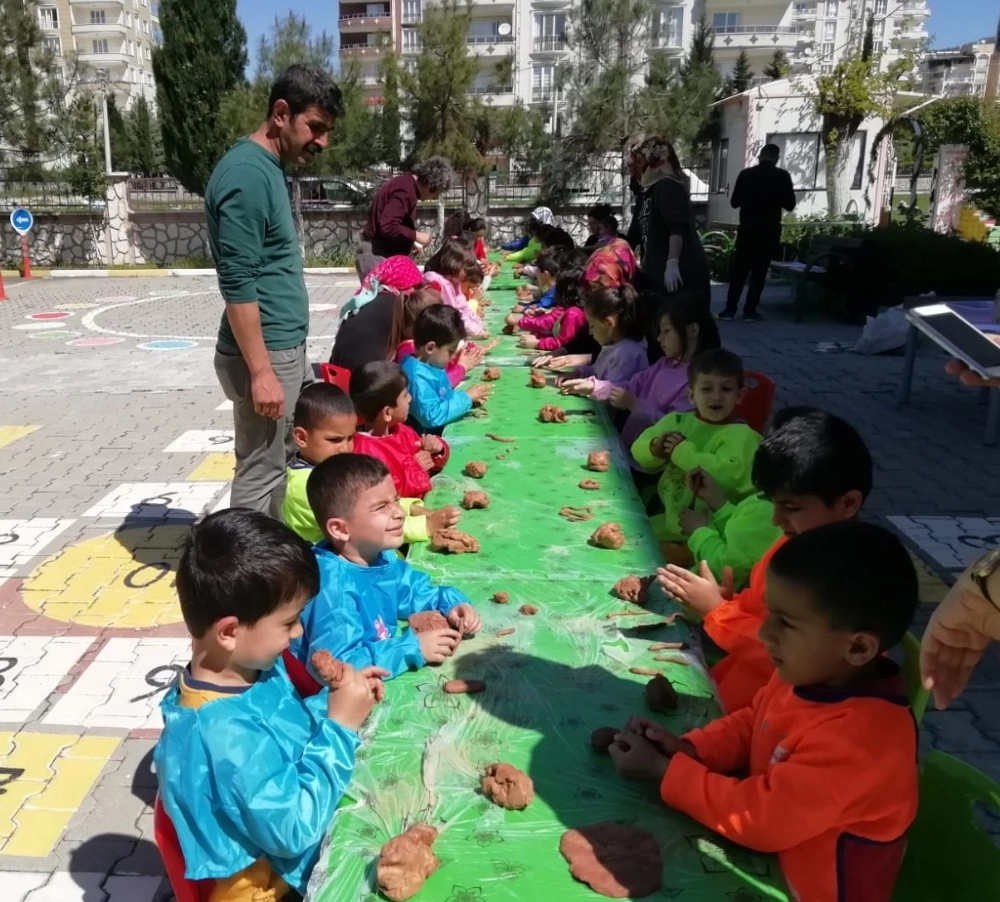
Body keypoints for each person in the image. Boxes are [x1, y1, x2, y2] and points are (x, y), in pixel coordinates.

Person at [610, 521, 919, 902]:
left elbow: (762, 820)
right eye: (768, 613)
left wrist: (664, 772)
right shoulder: (809, 673)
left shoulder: (862, 742)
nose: (764, 633)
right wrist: (690, 750)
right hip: (771, 856)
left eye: (784, 623)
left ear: (857, 648)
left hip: (806, 889)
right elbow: (754, 721)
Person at [154, 508, 386, 900]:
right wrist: (341, 726)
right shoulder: (222, 736)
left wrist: (339, 701)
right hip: (276, 888)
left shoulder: (251, 667)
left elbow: (285, 730)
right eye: (289, 622)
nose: (297, 634)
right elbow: (294, 830)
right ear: (229, 631)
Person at [658, 408, 873, 712]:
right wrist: (727, 602)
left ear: (848, 503)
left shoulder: (847, 582)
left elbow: (791, 655)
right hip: (730, 689)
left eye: (791, 507)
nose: (776, 519)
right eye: (773, 503)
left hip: (764, 717)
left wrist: (717, 612)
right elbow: (758, 609)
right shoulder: (792, 544)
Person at [208, 64, 343, 517]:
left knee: (281, 461)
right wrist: (262, 372)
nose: (322, 141)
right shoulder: (246, 175)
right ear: (281, 113)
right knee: (262, 469)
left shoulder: (267, 168)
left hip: (283, 348)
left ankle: (272, 564)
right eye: (316, 127)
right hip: (266, 354)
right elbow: (238, 282)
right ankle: (244, 581)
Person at [291, 453, 482, 681]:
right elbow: (338, 669)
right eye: (381, 507)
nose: (399, 513)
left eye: (396, 500)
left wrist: (450, 604)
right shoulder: (333, 591)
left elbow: (411, 590)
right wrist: (412, 648)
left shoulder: (378, 556)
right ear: (340, 529)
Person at [281, 383, 458, 547]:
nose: (345, 448)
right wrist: (425, 525)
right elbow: (364, 526)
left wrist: (414, 508)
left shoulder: (335, 466)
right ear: (302, 437)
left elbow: (376, 499)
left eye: (350, 438)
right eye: (334, 439)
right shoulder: (306, 486)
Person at [632, 349, 760, 544]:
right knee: (627, 539)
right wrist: (655, 448)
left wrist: (681, 452)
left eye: (726, 389)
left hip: (714, 532)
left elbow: (728, 476)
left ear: (740, 395)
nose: (716, 397)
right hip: (670, 523)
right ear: (691, 395)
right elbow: (637, 449)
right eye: (706, 389)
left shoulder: (744, 437)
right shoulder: (677, 421)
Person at [603, 293, 720, 470]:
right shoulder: (664, 364)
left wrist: (636, 405)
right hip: (631, 453)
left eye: (666, 331)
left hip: (658, 467)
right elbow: (633, 385)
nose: (659, 339)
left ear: (693, 330)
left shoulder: (701, 381)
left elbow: (680, 426)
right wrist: (595, 387)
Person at [632, 136, 711, 316]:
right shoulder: (650, 191)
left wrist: (672, 262)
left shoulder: (668, 186)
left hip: (680, 276)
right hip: (659, 273)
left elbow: (677, 226)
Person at [350, 360, 451, 496]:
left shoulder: (402, 430)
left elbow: (429, 460)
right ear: (387, 413)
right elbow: (388, 495)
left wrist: (437, 449)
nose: (410, 398)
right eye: (404, 395)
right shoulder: (365, 454)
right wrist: (416, 468)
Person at [721, 143, 797, 322]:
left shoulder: (746, 175)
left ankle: (730, 309)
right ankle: (750, 310)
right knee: (759, 273)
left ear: (760, 156)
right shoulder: (782, 176)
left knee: (739, 272)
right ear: (776, 158)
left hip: (747, 230)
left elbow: (734, 202)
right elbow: (790, 204)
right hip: (769, 232)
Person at [330, 256, 436, 373]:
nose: (417, 292)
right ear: (406, 286)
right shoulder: (398, 306)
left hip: (339, 375)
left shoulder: (368, 299)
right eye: (417, 286)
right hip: (367, 380)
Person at [356, 156, 454, 280]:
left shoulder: (405, 185)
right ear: (432, 185)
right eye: (436, 193)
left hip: (381, 254)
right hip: (376, 255)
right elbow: (388, 226)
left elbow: (392, 225)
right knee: (389, 298)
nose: (433, 198)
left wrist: (409, 242)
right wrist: (417, 235)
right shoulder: (405, 189)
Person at [402, 305, 492, 433]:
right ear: (431, 348)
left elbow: (443, 396)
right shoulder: (415, 376)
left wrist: (468, 402)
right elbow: (431, 416)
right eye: (450, 351)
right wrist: (466, 397)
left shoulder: (429, 365)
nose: (453, 357)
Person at [556, 285, 649, 397]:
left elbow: (616, 392)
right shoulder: (612, 345)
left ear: (609, 323)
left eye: (592, 325)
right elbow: (597, 371)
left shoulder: (628, 353)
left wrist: (591, 387)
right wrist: (579, 373)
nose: (590, 332)